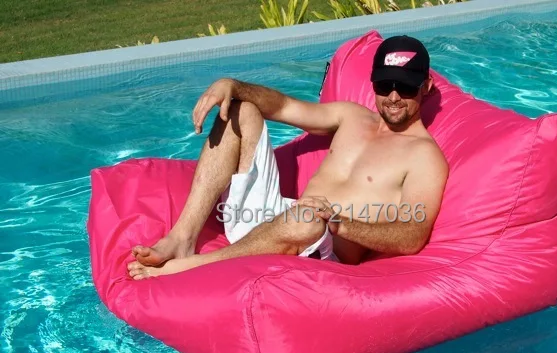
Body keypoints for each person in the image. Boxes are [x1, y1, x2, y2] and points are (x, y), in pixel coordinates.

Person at [127, 35, 449, 280]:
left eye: (406, 87)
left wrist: (340, 224)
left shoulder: (424, 156)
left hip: (319, 250)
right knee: (241, 110)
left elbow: (412, 235)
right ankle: (182, 238)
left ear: (426, 86)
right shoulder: (351, 116)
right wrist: (232, 86)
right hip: (276, 221)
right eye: (385, 84)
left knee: (308, 219)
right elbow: (283, 107)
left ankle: (196, 266)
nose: (393, 96)